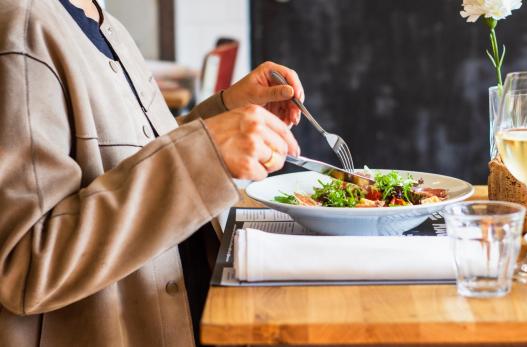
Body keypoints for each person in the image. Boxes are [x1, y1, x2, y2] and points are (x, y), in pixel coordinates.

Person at [0, 0, 304, 346]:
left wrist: (224, 111)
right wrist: (204, 153)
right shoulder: (22, 30)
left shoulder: (106, 24)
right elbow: (23, 267)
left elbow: (136, 159)